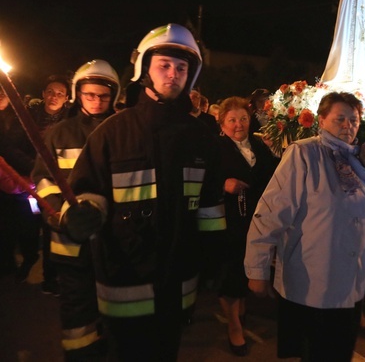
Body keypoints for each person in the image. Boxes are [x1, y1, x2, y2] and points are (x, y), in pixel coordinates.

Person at [62, 23, 226, 361]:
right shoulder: (112, 133)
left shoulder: (202, 138)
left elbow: (210, 207)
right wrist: (85, 213)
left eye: (181, 68)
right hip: (125, 279)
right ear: (144, 70)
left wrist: (215, 260)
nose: (173, 74)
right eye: (164, 65)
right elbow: (87, 190)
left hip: (179, 279)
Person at [245, 91, 365, 361]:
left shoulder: (360, 161)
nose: (347, 126)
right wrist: (256, 267)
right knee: (314, 352)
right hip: (311, 280)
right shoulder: (304, 153)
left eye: (353, 120)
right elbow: (272, 211)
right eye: (339, 118)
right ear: (321, 120)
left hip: (350, 282)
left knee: (339, 351)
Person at [32, 59, 120, 360]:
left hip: (114, 243)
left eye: (103, 96)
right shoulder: (58, 133)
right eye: (89, 95)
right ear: (77, 93)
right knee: (77, 312)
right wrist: (62, 216)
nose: (97, 101)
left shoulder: (123, 132)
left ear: (115, 96)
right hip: (70, 242)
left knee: (114, 310)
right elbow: (43, 181)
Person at [215, 96, 278, 355]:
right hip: (227, 220)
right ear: (222, 124)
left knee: (247, 265)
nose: (239, 124)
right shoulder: (214, 147)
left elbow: (274, 173)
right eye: (232, 120)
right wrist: (222, 184)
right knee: (230, 270)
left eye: (243, 118)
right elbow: (201, 176)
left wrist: (275, 151)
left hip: (255, 219)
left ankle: (239, 309)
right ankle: (234, 325)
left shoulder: (258, 146)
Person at [0, 86, 37, 279]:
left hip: (23, 181)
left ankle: (28, 261)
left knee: (27, 225)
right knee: (6, 226)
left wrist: (31, 175)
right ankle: (8, 263)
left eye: (3, 90)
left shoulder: (20, 116)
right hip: (9, 183)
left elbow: (20, 149)